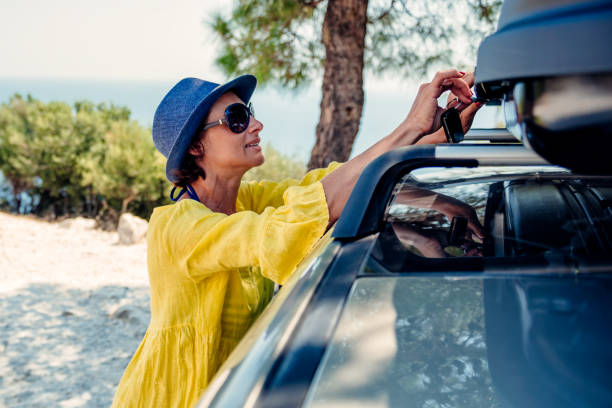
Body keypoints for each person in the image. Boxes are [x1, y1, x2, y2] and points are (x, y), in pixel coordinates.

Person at [111, 69, 480, 407]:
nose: (256, 124)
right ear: (195, 147)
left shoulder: (249, 202)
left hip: (232, 389)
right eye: (236, 120)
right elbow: (288, 226)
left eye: (249, 112)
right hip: (174, 396)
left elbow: (332, 186)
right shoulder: (175, 227)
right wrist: (409, 127)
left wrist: (437, 144)